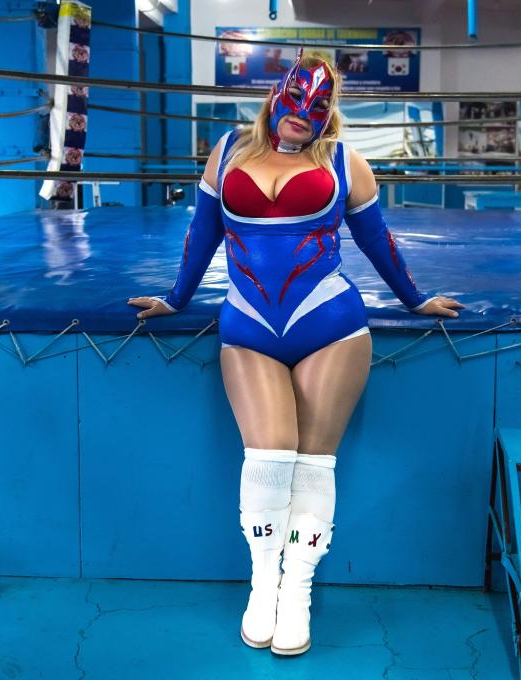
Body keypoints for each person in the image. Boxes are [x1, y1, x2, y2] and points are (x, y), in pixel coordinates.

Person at [128, 49, 462, 656]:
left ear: (330, 114)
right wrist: (176, 300)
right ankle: (263, 585)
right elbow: (202, 231)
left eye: (318, 108)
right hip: (248, 324)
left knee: (313, 463)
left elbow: (378, 240)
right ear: (274, 95)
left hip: (330, 323)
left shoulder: (344, 162)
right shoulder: (227, 149)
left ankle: (296, 591)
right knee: (269, 453)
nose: (301, 117)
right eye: (294, 102)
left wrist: (415, 301)